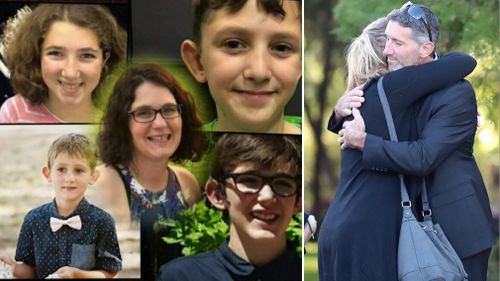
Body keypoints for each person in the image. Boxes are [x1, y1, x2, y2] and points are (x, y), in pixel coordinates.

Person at [338, 3, 496, 280]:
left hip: (458, 229)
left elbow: (423, 157)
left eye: (397, 42)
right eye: (387, 39)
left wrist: (364, 141)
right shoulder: (403, 86)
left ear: (426, 49)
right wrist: (339, 111)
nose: (386, 50)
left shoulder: (457, 93)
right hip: (414, 228)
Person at [95, 63, 208, 280]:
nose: (160, 123)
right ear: (122, 122)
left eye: (169, 110)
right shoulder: (104, 183)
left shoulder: (186, 183)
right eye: (144, 113)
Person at [157, 133, 302, 281]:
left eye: (283, 183)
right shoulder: (181, 277)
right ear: (217, 194)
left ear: (299, 200)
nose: (267, 196)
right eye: (250, 181)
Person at [0, 133, 122, 279]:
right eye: (61, 169)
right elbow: (31, 271)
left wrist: (78, 275)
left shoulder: (102, 221)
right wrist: (14, 268)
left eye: (79, 170)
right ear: (48, 174)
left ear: (93, 176)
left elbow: (109, 272)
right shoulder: (33, 219)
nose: (70, 178)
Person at [180, 0, 302, 134]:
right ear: (198, 62)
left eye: (281, 48)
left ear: (300, 64)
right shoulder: (177, 151)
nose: (259, 72)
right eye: (233, 44)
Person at [0, 4, 127, 123]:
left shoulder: (116, 126)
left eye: (87, 55)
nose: (71, 73)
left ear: (104, 60)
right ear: (38, 56)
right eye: (56, 53)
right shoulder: (14, 113)